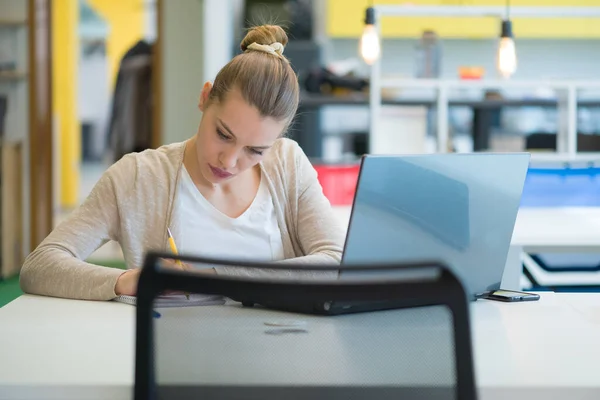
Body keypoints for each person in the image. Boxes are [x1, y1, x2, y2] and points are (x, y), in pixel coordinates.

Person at [20, 25, 345, 301]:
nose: (229, 161)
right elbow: (40, 266)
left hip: (280, 353)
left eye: (255, 150)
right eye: (223, 134)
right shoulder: (136, 177)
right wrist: (123, 281)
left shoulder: (288, 162)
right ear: (205, 98)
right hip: (173, 358)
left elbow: (334, 261)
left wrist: (215, 276)